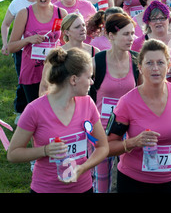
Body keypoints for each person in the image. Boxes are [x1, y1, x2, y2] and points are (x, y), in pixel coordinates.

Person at [7, 47, 108, 193]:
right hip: (46, 188)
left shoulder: (87, 103)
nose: (92, 82)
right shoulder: (35, 109)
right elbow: (12, 154)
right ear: (74, 79)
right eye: (89, 77)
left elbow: (103, 147)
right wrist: (45, 150)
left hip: (83, 188)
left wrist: (82, 168)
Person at [107, 39, 171, 193]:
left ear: (168, 67)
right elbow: (108, 147)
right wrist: (133, 142)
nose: (155, 68)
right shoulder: (126, 102)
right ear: (140, 67)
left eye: (160, 63)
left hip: (170, 180)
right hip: (134, 182)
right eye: (149, 63)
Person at [89, 13, 138, 193]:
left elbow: (141, 95)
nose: (131, 38)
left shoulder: (136, 60)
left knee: (130, 178)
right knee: (101, 181)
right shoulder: (97, 62)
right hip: (101, 131)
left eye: (133, 33)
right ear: (111, 36)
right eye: (126, 34)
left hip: (129, 130)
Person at [8, 0, 68, 108]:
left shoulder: (60, 13)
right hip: (31, 72)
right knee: (36, 113)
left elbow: (65, 43)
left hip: (54, 71)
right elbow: (11, 47)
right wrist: (28, 40)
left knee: (55, 111)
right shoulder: (24, 13)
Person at [39, 13, 100, 95]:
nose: (82, 29)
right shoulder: (58, 54)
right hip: (63, 100)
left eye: (83, 25)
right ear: (67, 32)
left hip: (88, 99)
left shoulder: (94, 52)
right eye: (77, 27)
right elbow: (44, 85)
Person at [132, 1, 171, 85]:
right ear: (148, 22)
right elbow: (134, 74)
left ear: (168, 20)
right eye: (154, 19)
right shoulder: (138, 43)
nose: (158, 22)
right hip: (150, 93)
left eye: (162, 18)